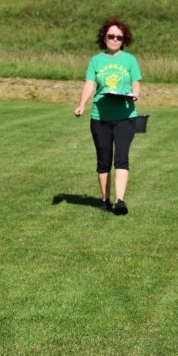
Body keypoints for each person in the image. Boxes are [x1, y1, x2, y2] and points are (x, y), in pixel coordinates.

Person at [74, 17, 143, 216]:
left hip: (125, 116)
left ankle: (120, 201)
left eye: (119, 37)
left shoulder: (130, 60)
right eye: (111, 36)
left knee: (121, 157)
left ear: (124, 40)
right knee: (103, 160)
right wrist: (82, 104)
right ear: (104, 37)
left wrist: (136, 94)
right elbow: (90, 84)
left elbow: (136, 83)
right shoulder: (96, 60)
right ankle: (105, 199)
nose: (114, 40)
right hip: (100, 118)